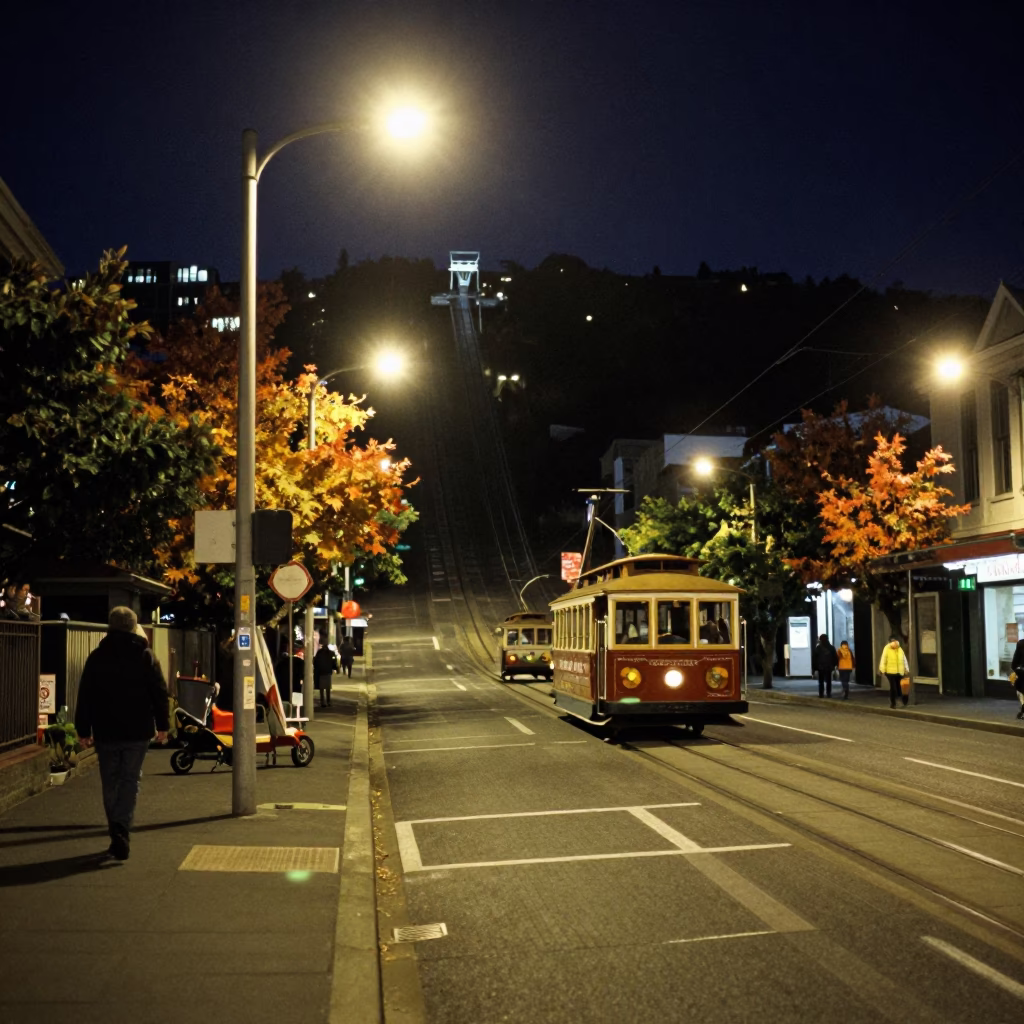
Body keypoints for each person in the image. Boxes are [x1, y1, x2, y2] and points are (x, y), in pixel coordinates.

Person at [74, 606, 169, 861]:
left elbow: (86, 695)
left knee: (110, 780)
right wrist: (163, 726)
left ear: (111, 626)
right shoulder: (145, 655)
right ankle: (121, 827)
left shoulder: (97, 656)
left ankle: (116, 828)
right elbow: (159, 692)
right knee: (130, 779)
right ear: (133, 627)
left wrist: (83, 729)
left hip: (106, 729)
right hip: (138, 730)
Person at [878, 634, 910, 708]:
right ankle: (893, 703)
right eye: (893, 641)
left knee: (899, 687)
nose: (895, 643)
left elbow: (904, 660)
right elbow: (883, 659)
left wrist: (906, 669)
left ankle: (899, 700)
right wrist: (882, 669)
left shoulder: (900, 649)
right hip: (890, 672)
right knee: (893, 687)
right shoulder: (887, 649)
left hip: (899, 672)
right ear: (890, 642)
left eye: (895, 641)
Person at [314, 634, 340, 707]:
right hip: (327, 672)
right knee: (327, 688)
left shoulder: (319, 653)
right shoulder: (330, 653)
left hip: (321, 672)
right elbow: (334, 662)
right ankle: (328, 701)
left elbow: (316, 662)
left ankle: (323, 701)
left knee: (322, 688)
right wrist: (336, 668)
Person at [812, 633, 838, 698]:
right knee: (828, 681)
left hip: (820, 667)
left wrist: (814, 667)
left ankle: (821, 694)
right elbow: (835, 657)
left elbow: (814, 658)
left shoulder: (818, 648)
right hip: (829, 667)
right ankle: (828, 693)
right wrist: (834, 665)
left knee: (821, 681)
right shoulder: (831, 648)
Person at [1010, 636, 1024, 720]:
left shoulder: (1021, 644)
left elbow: (1014, 663)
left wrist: (1015, 669)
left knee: (1020, 690)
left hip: (1023, 673)